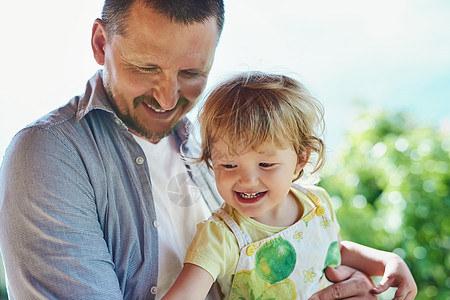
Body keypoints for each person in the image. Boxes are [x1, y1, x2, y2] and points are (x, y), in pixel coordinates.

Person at [0, 0, 414, 299]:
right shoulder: (49, 155)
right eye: (146, 68)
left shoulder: (208, 142)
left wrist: (369, 270)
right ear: (99, 42)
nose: (166, 99)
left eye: (191, 73)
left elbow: (282, 243)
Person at [162, 71, 417, 300]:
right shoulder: (221, 236)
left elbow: (334, 250)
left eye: (266, 164)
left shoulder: (316, 202)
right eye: (228, 165)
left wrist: (387, 262)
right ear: (211, 161)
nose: (247, 180)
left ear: (300, 159)